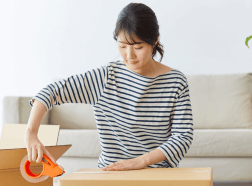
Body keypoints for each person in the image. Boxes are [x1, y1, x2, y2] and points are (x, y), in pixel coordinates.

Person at [24, 3, 194, 172]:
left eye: (138, 47)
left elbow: (183, 136)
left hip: (157, 173)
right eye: (122, 46)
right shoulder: (105, 78)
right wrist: (31, 133)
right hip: (111, 173)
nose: (130, 56)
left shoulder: (175, 82)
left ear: (155, 40)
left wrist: (140, 162)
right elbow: (50, 92)